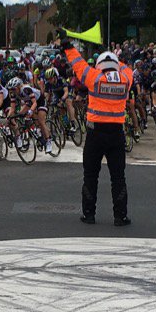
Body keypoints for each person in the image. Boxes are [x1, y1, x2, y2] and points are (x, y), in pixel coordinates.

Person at [57, 30, 131, 227]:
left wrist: (67, 45)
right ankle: (120, 216)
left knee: (90, 175)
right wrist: (110, 53)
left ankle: (89, 214)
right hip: (116, 134)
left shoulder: (94, 78)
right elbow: (125, 68)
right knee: (118, 177)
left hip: (95, 133)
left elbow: (78, 63)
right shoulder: (126, 80)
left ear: (99, 66)